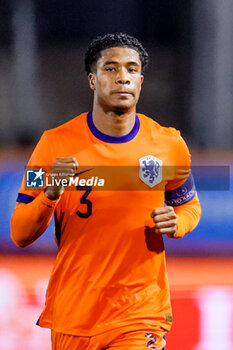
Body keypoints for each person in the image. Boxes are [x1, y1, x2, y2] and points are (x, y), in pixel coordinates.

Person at [11, 33, 201, 350]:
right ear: (92, 79)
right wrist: (49, 194)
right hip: (74, 315)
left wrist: (178, 223)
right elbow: (20, 231)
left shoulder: (169, 145)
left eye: (130, 69)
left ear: (140, 80)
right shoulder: (52, 145)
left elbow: (189, 206)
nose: (122, 77)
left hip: (139, 314)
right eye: (111, 69)